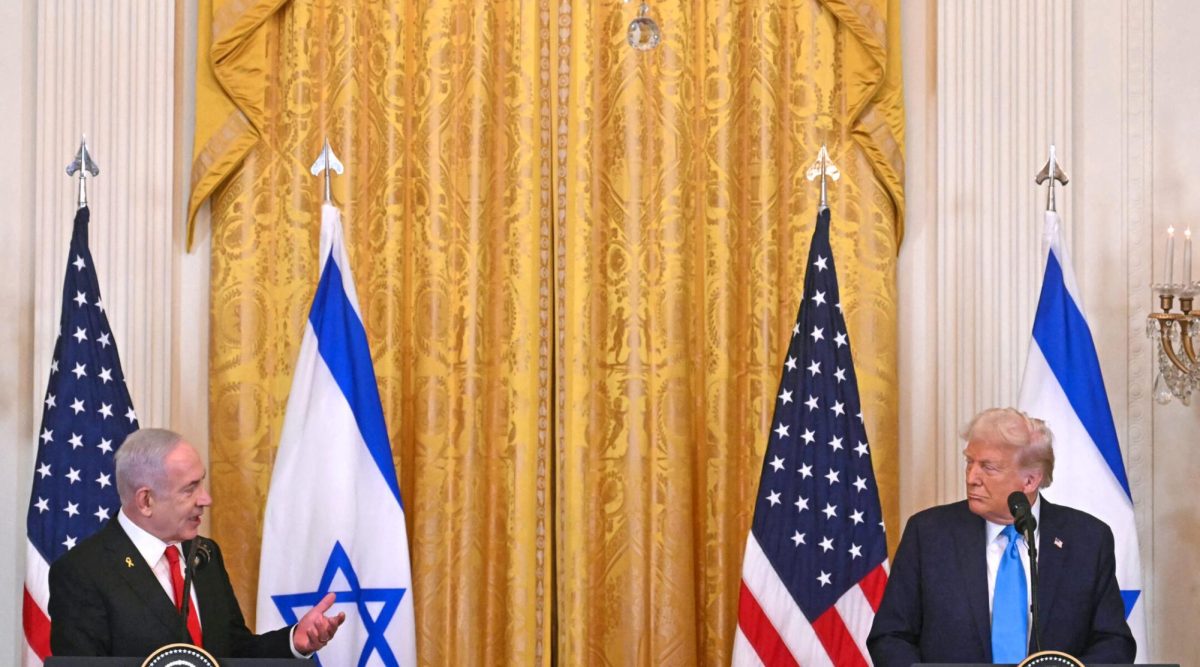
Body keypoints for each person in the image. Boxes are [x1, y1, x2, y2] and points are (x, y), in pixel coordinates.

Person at [867, 408, 1135, 666]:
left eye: (988, 467)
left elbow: (1113, 642)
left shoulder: (1087, 540)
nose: (972, 477)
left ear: (1030, 481)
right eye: (969, 462)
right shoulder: (929, 535)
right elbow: (890, 637)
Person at [49, 428, 346, 658]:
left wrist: (294, 641)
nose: (206, 500)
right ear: (146, 500)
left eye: (200, 483)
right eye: (190, 490)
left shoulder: (204, 555)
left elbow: (233, 652)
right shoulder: (82, 573)